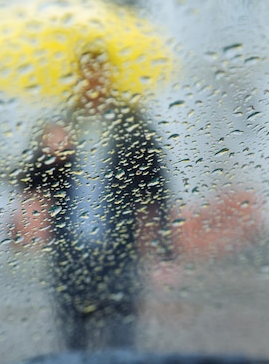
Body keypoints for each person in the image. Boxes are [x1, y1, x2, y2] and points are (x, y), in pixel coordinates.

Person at [16, 50, 173, 350]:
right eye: (85, 74)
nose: (92, 82)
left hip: (120, 249)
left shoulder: (133, 125)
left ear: (109, 77)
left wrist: (164, 250)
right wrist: (49, 156)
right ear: (76, 79)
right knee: (74, 337)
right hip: (68, 249)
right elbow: (29, 182)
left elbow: (157, 189)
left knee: (121, 337)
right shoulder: (59, 125)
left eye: (98, 73)